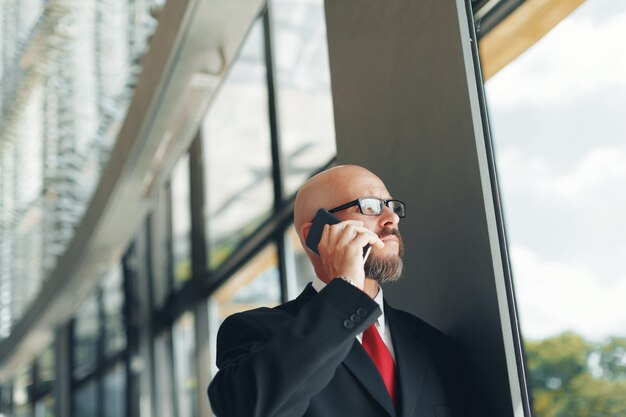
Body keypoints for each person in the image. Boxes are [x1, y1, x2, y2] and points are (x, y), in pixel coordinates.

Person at [208, 165, 470, 417]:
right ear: (317, 234)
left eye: (391, 206)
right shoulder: (254, 330)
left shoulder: (433, 345)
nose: (391, 218)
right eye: (369, 206)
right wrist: (343, 289)